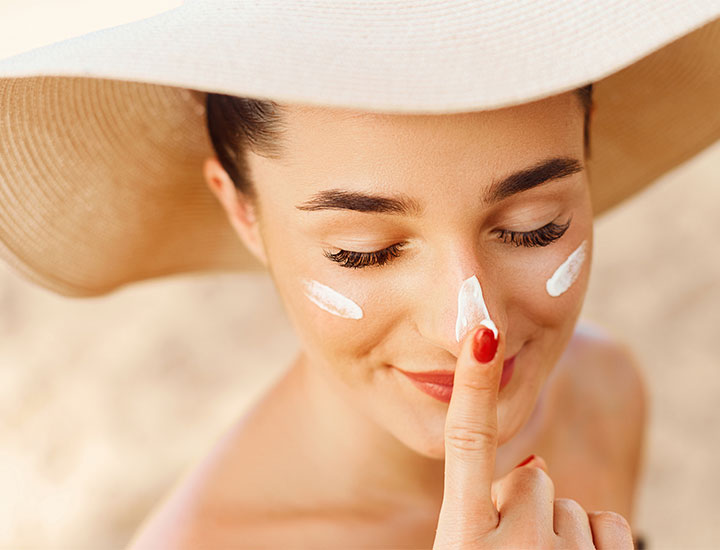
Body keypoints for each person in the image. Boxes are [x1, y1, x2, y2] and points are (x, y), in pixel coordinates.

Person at [0, 2, 718, 548]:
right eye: (364, 251)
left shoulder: (599, 393)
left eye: (535, 228)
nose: (471, 326)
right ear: (243, 210)